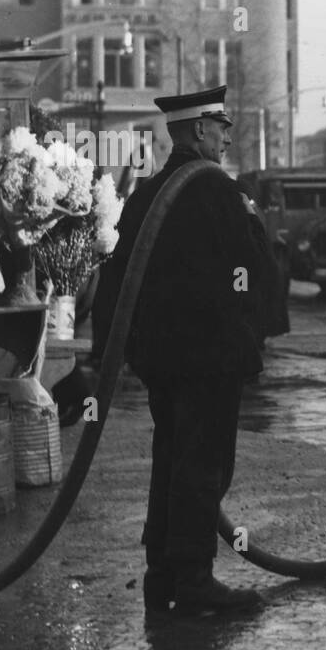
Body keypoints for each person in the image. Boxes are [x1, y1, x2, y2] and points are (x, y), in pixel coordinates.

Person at [93, 85, 274, 613]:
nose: (226, 137)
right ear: (199, 130)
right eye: (221, 128)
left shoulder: (148, 193)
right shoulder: (216, 189)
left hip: (162, 360)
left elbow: (119, 277)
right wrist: (254, 219)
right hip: (208, 357)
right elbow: (254, 266)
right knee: (203, 466)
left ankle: (162, 576)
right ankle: (194, 580)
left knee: (171, 460)